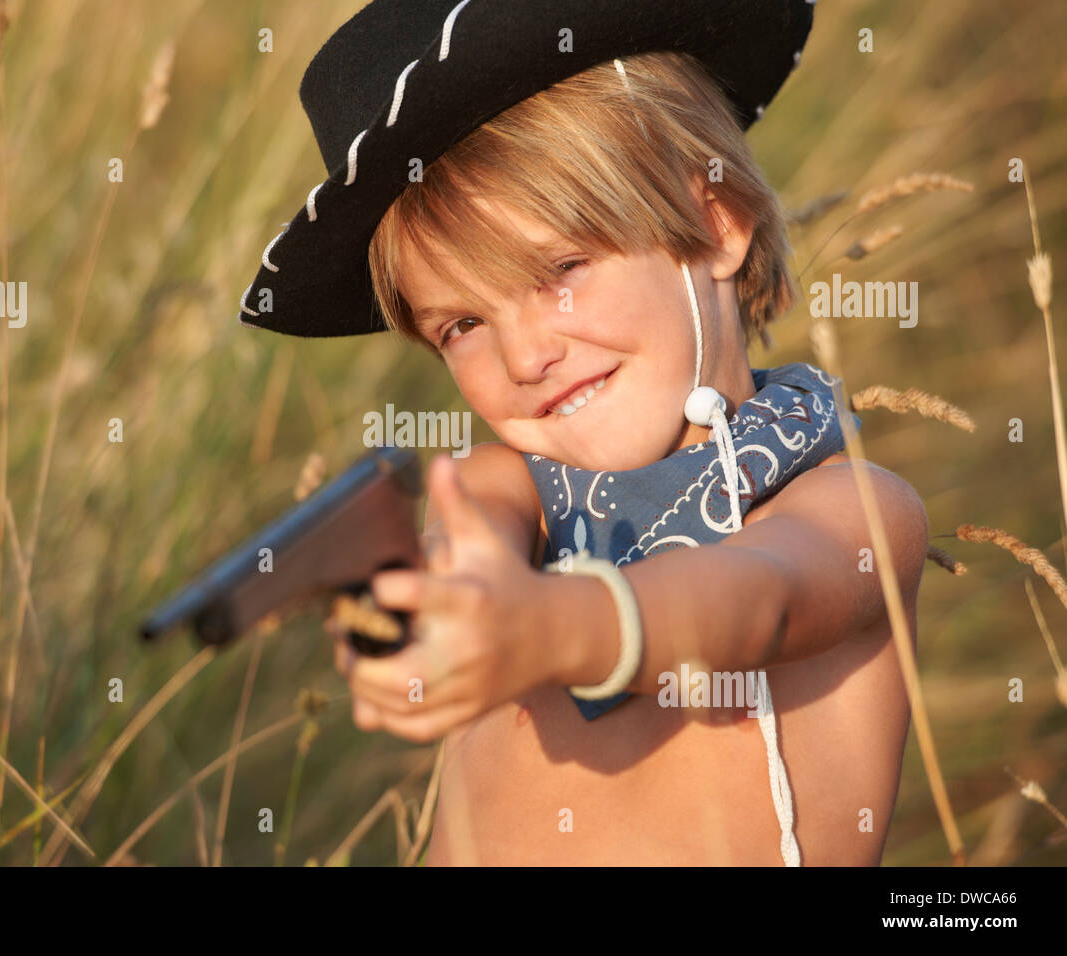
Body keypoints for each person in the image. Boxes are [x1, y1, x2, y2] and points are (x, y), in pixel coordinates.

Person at [239, 0, 929, 865]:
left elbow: (762, 599)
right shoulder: (512, 496)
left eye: (561, 269)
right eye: (461, 325)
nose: (526, 354)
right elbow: (466, 549)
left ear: (715, 224)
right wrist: (419, 619)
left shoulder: (853, 512)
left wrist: (554, 627)